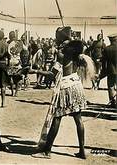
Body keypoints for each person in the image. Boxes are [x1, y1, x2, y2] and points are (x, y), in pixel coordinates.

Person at [32, 26, 94, 159]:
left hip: (66, 87)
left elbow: (51, 74)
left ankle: (46, 151)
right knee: (78, 119)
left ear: (61, 37)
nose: (55, 37)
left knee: (56, 118)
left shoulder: (62, 53)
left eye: (57, 35)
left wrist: (35, 71)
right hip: (76, 85)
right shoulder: (76, 51)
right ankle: (82, 151)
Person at [98, 33, 117, 108]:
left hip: (111, 71)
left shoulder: (107, 49)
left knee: (111, 86)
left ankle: (113, 102)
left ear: (110, 40)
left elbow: (104, 64)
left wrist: (102, 74)